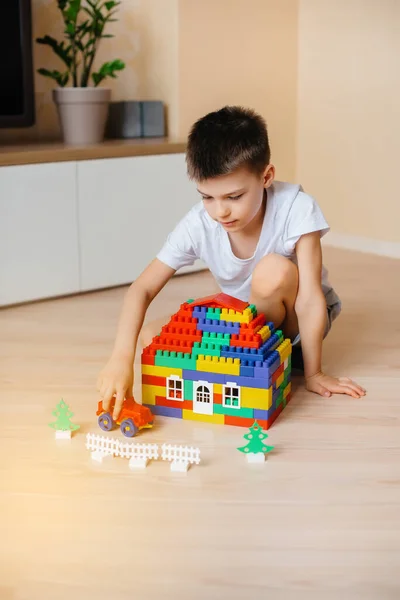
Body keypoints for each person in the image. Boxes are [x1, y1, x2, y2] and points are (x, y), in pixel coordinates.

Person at [97, 106, 366, 419]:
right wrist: (120, 358)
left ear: (266, 176)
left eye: (234, 197)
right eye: (207, 197)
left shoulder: (296, 208)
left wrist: (314, 374)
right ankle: (234, 360)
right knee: (152, 338)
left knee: (272, 272)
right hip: (241, 317)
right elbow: (142, 288)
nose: (219, 211)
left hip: (295, 326)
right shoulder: (198, 224)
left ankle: (264, 358)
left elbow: (308, 299)